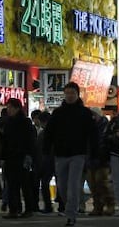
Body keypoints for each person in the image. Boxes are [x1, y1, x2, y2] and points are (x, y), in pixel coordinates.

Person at [43, 82, 97, 226]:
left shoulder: (85, 113)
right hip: (60, 154)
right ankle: (70, 208)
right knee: (61, 186)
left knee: (73, 185)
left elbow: (93, 134)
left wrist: (93, 153)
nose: (69, 96)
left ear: (77, 94)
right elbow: (49, 133)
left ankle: (71, 215)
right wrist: (46, 150)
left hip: (78, 154)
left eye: (72, 93)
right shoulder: (58, 113)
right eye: (67, 93)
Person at [0, 98, 36, 219]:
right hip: (10, 157)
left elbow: (31, 140)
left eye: (10, 107)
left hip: (22, 156)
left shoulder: (25, 122)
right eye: (8, 107)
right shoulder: (8, 122)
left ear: (17, 108)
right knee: (11, 185)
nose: (8, 110)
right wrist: (3, 156)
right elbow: (4, 140)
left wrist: (29, 155)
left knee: (24, 184)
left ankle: (28, 209)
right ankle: (14, 209)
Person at [87, 107, 114, 216]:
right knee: (93, 185)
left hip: (103, 159)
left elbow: (107, 143)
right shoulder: (89, 127)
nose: (93, 117)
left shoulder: (106, 127)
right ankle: (98, 207)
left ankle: (109, 204)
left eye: (94, 115)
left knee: (102, 183)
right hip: (91, 159)